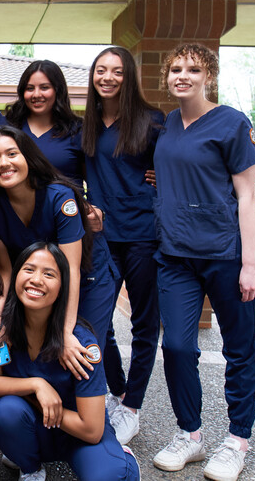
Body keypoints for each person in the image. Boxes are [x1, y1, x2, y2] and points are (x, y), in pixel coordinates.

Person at [151, 43, 255, 481]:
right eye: (175, 69)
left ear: (208, 77)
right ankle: (190, 436)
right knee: (176, 346)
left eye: (193, 69)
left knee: (240, 349)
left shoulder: (232, 123)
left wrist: (250, 264)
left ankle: (237, 441)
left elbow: (247, 195)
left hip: (225, 254)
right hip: (175, 255)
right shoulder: (168, 126)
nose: (183, 75)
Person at [0, 242, 141, 481]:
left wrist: (35, 401)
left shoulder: (80, 344)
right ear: (15, 277)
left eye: (49, 274)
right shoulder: (4, 332)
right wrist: (37, 386)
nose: (36, 280)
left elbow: (91, 430)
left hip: (78, 436)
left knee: (110, 475)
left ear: (63, 287)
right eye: (29, 269)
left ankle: (123, 459)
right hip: (34, 429)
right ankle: (30, 467)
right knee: (6, 413)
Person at [0, 126, 117, 381]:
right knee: (0, 341)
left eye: (12, 154)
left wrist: (65, 332)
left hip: (84, 281)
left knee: (76, 351)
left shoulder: (60, 197)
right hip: (40, 283)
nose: (3, 163)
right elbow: (4, 269)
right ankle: (25, 407)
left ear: (27, 156)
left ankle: (93, 412)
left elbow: (71, 268)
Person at [81, 47, 165, 445]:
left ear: (128, 76)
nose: (108, 77)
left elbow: (177, 165)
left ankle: (132, 406)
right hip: (101, 236)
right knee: (97, 322)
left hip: (143, 235)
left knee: (144, 323)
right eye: (101, 70)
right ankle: (116, 390)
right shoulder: (89, 123)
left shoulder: (151, 122)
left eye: (116, 71)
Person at [5, 60, 84, 189]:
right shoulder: (9, 128)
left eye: (44, 87)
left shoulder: (77, 130)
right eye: (30, 88)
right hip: (18, 208)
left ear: (57, 90)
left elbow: (93, 179)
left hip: (66, 207)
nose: (36, 94)